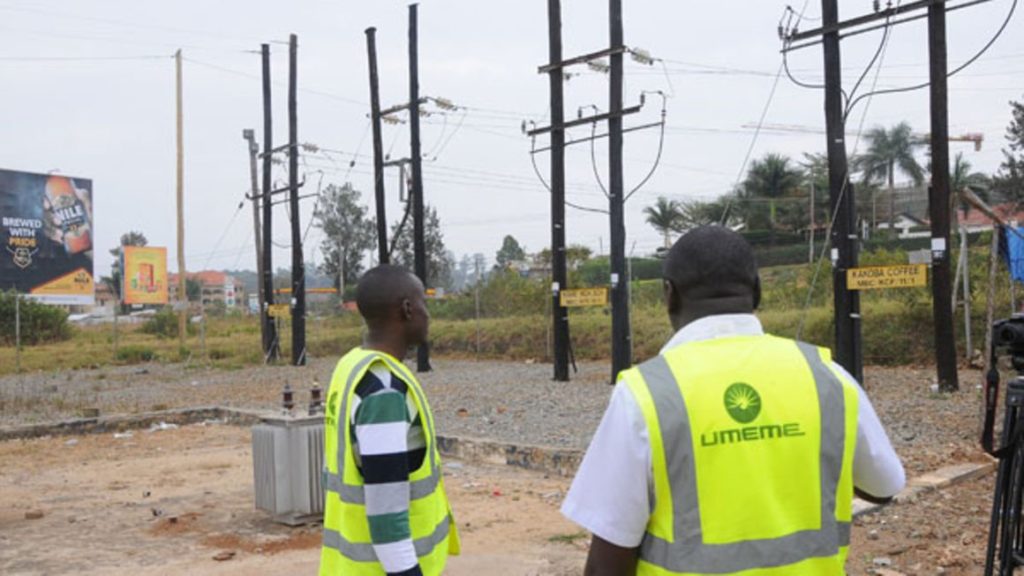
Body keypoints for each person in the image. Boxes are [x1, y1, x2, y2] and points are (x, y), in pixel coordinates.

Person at [561, 226, 905, 576]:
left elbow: (610, 555)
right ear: (757, 289)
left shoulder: (646, 393)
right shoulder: (827, 376)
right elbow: (883, 487)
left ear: (669, 294)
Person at [320, 264, 459, 576]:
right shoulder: (384, 389)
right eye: (424, 303)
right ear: (407, 309)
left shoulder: (350, 365)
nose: (428, 314)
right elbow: (387, 515)